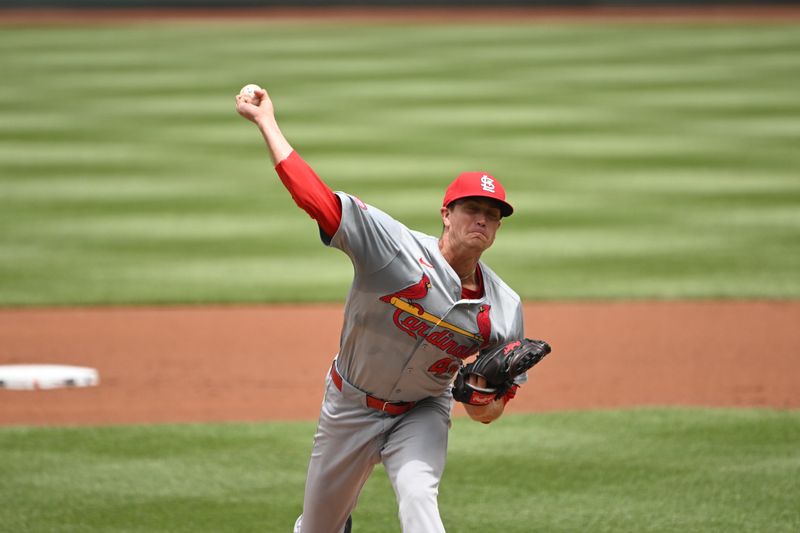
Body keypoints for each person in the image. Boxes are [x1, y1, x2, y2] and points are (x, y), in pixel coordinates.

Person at [236, 87, 527, 533]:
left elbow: (487, 412)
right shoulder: (392, 248)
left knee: (418, 497)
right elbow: (316, 199)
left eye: (493, 214)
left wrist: (484, 398)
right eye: (472, 209)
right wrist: (266, 123)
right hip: (349, 404)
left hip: (422, 410)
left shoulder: (504, 308)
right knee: (319, 528)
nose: (482, 220)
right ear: (446, 214)